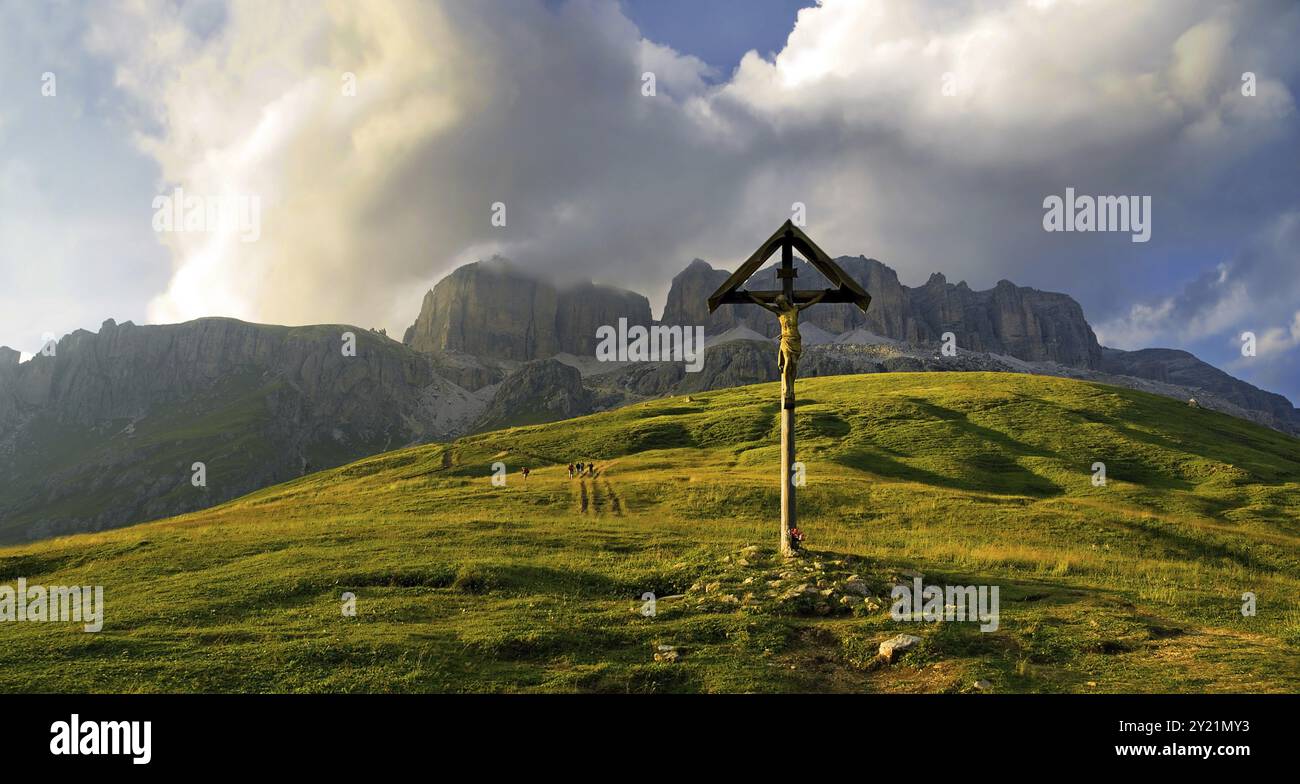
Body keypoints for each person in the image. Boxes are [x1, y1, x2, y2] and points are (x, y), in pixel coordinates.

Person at [745, 291, 826, 409]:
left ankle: (792, 387)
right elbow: (763, 305)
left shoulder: (795, 310)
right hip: (785, 340)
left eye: (782, 303)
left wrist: (822, 295)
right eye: (780, 304)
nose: (781, 306)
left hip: (796, 339)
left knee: (794, 363)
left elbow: (811, 303)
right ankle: (787, 388)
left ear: (786, 302)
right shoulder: (779, 312)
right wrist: (751, 296)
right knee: (787, 361)